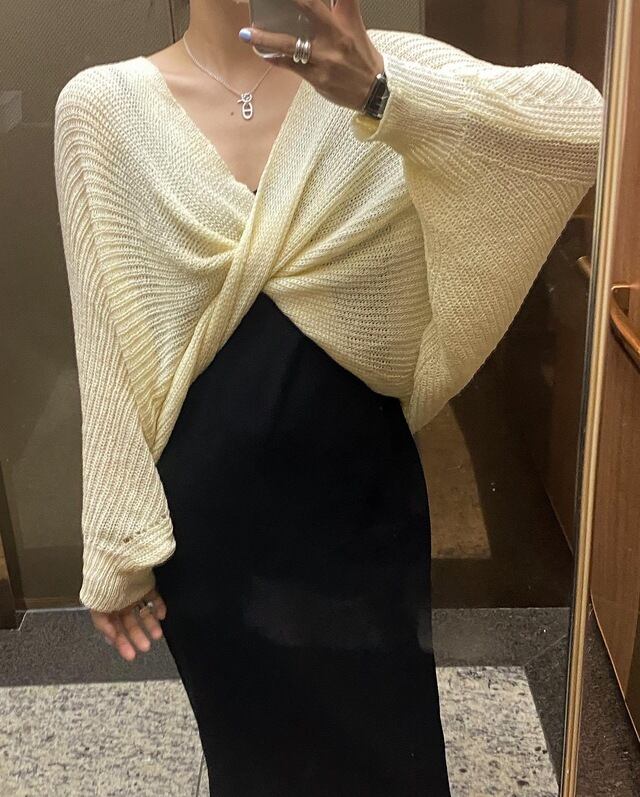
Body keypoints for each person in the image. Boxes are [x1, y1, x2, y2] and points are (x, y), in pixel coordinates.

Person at [53, 0, 603, 793]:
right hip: (211, 534)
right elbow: (104, 342)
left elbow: (580, 130)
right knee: (254, 766)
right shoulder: (100, 110)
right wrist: (114, 536)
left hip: (364, 511)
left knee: (393, 757)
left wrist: (385, 94)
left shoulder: (371, 71)